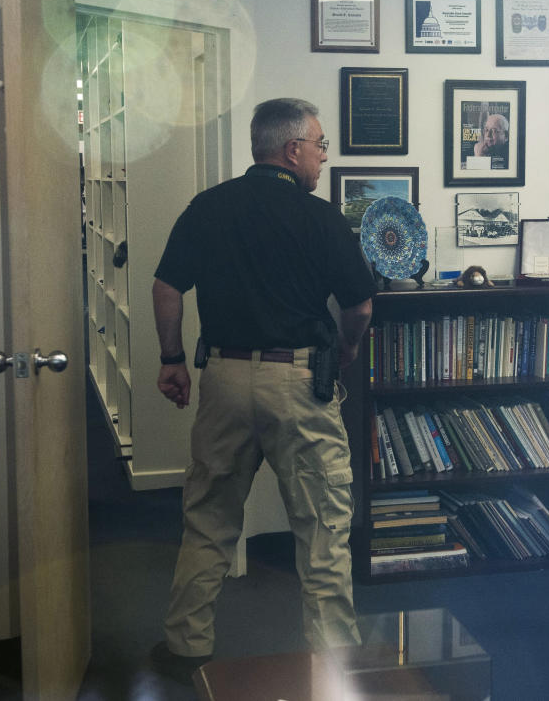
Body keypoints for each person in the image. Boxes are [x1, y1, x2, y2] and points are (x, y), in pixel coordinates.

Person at [149, 98, 376, 683]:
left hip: (222, 378)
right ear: (292, 149)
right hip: (298, 382)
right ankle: (334, 660)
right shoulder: (321, 218)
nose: (324, 157)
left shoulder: (208, 207)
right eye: (320, 145)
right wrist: (347, 348)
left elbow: (167, 286)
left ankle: (184, 646)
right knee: (323, 527)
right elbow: (359, 304)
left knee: (209, 518)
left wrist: (172, 358)